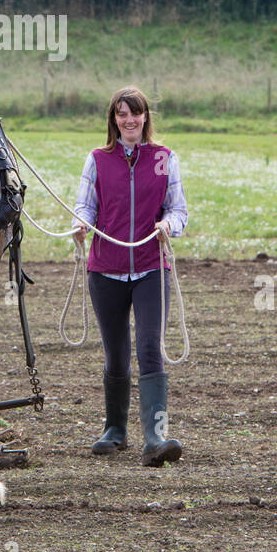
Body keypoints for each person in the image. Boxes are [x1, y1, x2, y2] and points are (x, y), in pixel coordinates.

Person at [72, 87, 188, 466]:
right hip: (105, 268)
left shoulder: (164, 159)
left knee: (150, 347)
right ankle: (115, 429)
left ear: (145, 117)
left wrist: (169, 224)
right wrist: (81, 223)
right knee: (116, 353)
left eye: (135, 113)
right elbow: (85, 204)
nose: (129, 120)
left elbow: (179, 211)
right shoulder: (97, 160)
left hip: (152, 267)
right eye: (122, 114)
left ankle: (155, 435)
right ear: (113, 119)